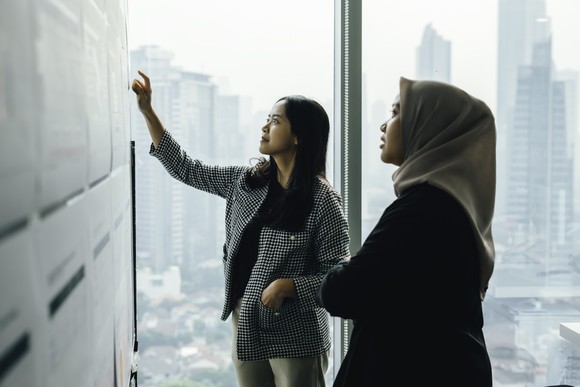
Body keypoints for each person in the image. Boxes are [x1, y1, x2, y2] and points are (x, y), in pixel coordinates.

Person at [132, 70, 350, 387]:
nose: (264, 126)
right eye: (266, 118)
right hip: (247, 324)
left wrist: (289, 286)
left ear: (298, 135)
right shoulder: (246, 182)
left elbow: (338, 275)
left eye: (275, 121)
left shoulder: (322, 200)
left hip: (296, 336)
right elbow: (188, 169)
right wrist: (148, 112)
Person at [317, 77, 496, 386]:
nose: (384, 126)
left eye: (396, 112)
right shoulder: (453, 206)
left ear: (430, 127)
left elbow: (341, 292)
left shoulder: (422, 210)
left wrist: (338, 269)